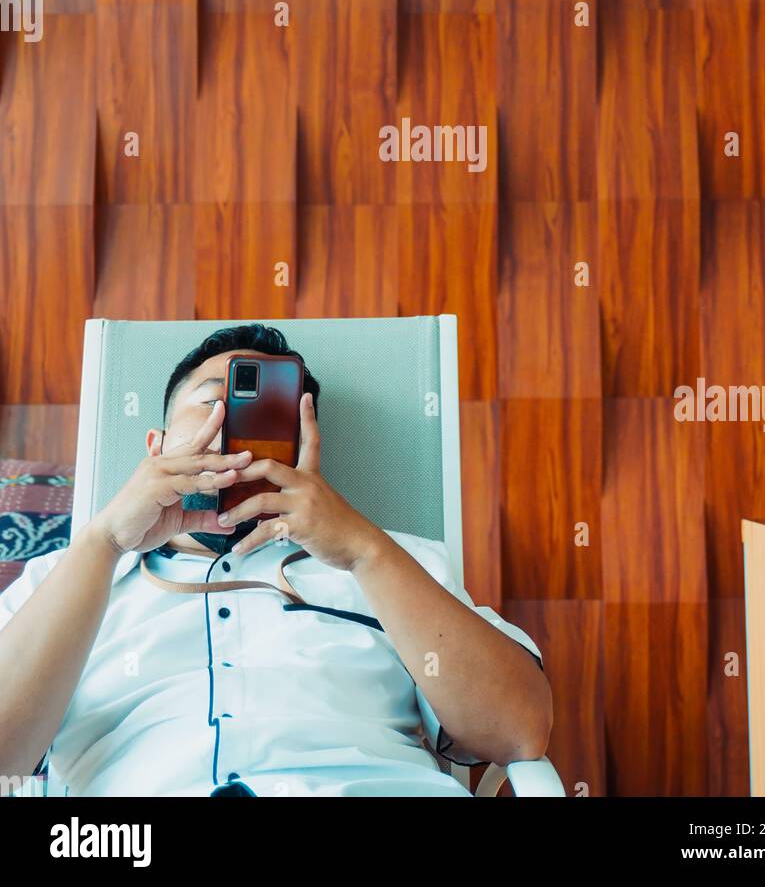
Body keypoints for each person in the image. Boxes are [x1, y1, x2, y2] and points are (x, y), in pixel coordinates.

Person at [0, 324, 552, 797]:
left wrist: (363, 551)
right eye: (214, 401)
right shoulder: (62, 579)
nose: (235, 428)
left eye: (271, 414)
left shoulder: (393, 562)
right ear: (157, 445)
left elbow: (518, 732)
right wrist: (105, 543)